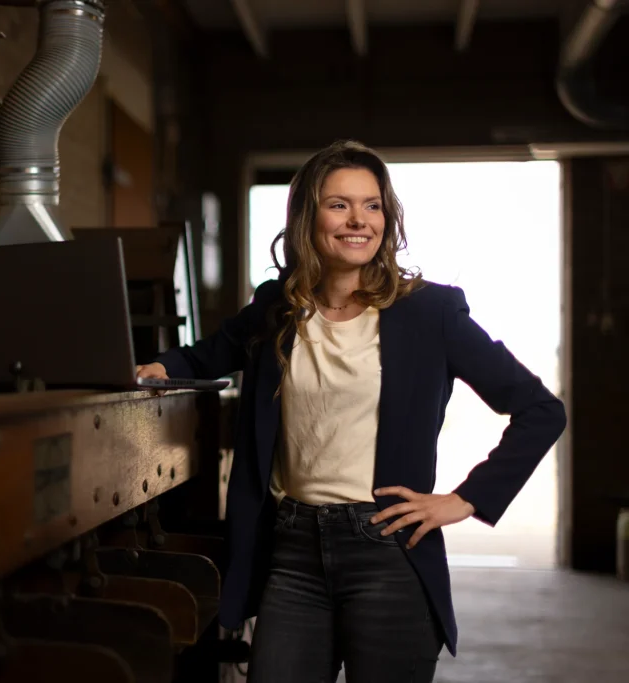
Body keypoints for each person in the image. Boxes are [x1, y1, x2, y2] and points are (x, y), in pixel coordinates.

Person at [136, 140, 566, 682]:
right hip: (290, 552)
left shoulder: (431, 312)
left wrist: (465, 500)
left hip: (386, 550)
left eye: (372, 205)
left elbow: (540, 410)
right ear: (306, 217)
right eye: (339, 204)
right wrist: (155, 367)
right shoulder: (277, 307)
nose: (358, 220)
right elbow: (204, 355)